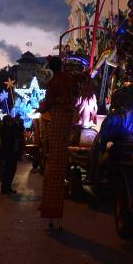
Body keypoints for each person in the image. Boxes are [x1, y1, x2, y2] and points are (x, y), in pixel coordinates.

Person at [37, 56, 76, 231]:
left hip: (58, 120)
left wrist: (42, 107)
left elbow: (48, 105)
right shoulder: (68, 78)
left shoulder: (53, 83)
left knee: (53, 168)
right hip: (68, 121)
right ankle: (57, 216)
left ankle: (52, 213)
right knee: (58, 166)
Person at [0, 115, 19, 195]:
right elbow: (9, 138)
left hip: (12, 153)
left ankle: (7, 187)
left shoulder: (10, 128)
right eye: (10, 120)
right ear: (7, 121)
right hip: (8, 154)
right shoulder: (5, 129)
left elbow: (17, 132)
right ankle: (5, 188)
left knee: (12, 170)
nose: (11, 122)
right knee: (7, 171)